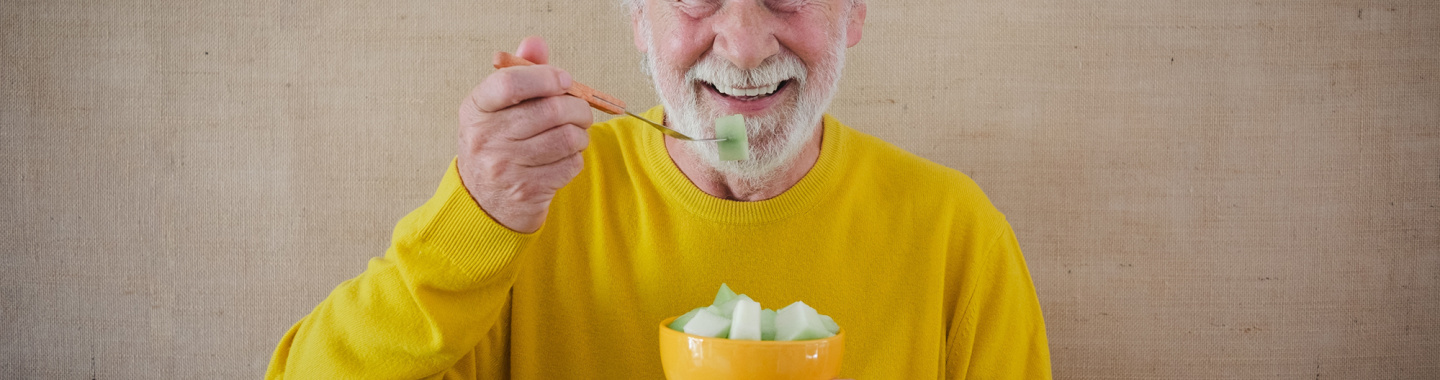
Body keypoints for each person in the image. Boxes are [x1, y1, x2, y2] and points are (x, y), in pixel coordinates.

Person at [265, 0, 1051, 378]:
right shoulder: (535, 208)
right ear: (638, 19)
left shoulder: (957, 236)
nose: (743, 45)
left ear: (854, 12)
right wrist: (472, 222)